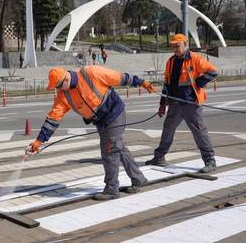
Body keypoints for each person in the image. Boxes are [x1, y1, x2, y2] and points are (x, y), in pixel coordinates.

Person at [27, 66, 157, 200]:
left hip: (114, 113)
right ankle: (138, 178)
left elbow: (119, 77)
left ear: (66, 79)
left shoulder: (90, 73)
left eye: (59, 86)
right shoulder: (63, 96)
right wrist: (39, 140)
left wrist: (141, 82)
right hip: (100, 120)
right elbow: (53, 118)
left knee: (109, 150)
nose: (58, 89)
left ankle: (112, 189)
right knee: (118, 147)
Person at [145, 34, 218, 173]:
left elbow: (213, 72)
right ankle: (159, 157)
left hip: (191, 103)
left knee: (199, 131)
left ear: (185, 44)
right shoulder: (171, 61)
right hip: (175, 102)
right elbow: (167, 83)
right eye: (173, 46)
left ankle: (210, 160)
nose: (175, 49)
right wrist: (162, 103)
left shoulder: (195, 58)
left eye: (177, 46)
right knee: (168, 128)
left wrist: (198, 83)